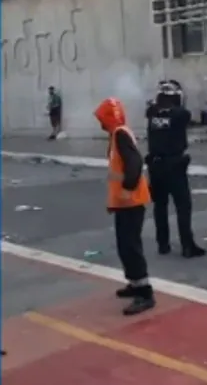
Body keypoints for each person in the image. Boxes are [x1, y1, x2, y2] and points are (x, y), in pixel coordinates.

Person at [93, 97, 156, 315]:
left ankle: (145, 293)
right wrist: (115, 202)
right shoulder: (117, 134)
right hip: (124, 202)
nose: (100, 123)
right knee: (124, 244)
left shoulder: (120, 134)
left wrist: (127, 192)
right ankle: (135, 283)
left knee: (130, 246)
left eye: (102, 119)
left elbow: (135, 164)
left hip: (131, 201)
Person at [145, 80, 206, 258]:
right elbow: (186, 115)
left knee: (160, 206)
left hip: (155, 166)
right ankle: (187, 245)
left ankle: (163, 244)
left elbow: (154, 109)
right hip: (174, 165)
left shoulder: (151, 112)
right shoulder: (181, 114)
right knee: (183, 206)